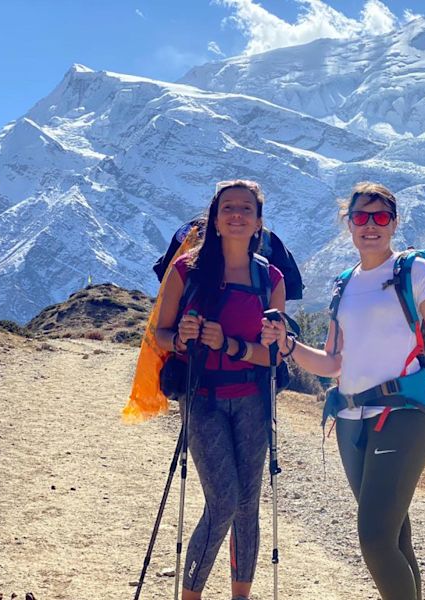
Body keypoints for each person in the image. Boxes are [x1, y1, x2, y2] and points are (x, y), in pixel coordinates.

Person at [261, 182, 425, 600]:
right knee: (394, 538)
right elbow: (332, 363)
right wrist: (288, 345)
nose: (370, 225)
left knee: (375, 540)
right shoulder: (344, 284)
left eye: (380, 217)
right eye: (361, 217)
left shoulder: (414, 271)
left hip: (402, 415)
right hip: (348, 420)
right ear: (349, 224)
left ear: (394, 223)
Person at [156, 180, 285, 600]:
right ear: (213, 218)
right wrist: (181, 338)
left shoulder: (271, 279)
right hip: (202, 400)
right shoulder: (186, 270)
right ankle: (190, 595)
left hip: (251, 400)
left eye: (245, 209)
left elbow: (275, 356)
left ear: (258, 222)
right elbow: (159, 333)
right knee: (225, 502)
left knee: (248, 506)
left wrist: (228, 345)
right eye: (227, 207)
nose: (236, 215)